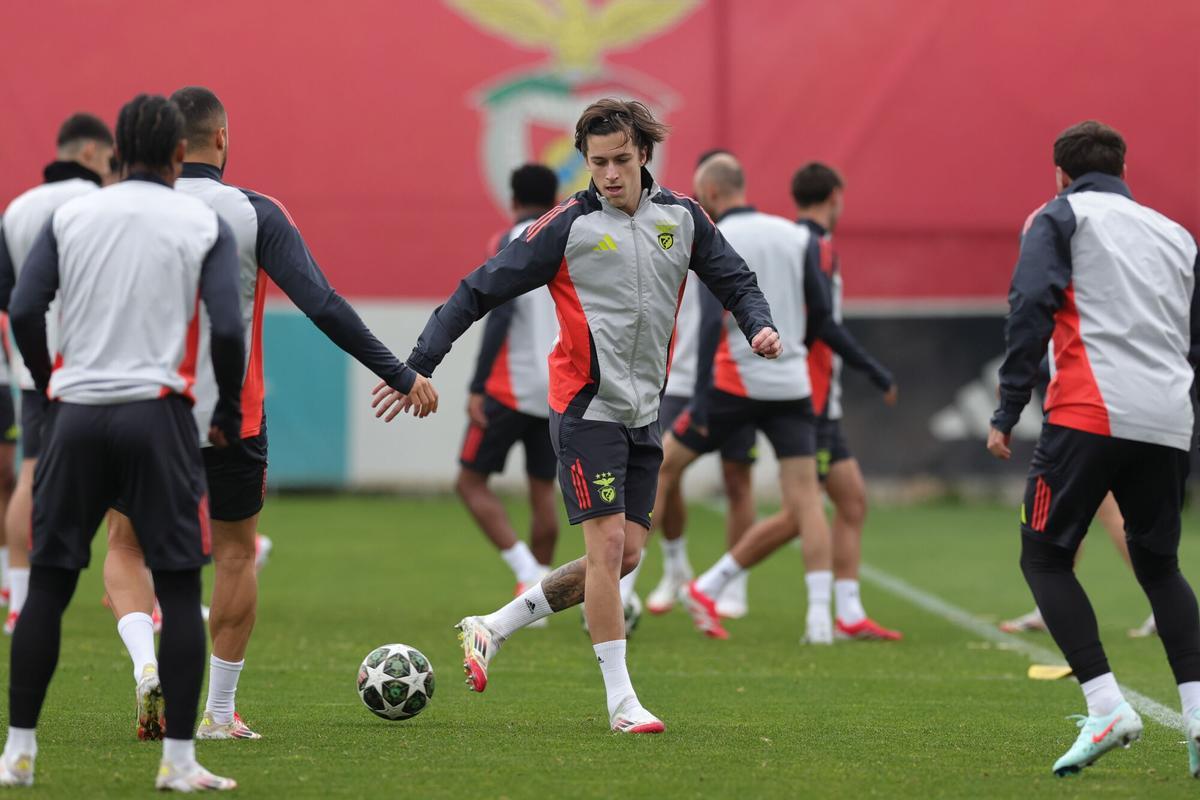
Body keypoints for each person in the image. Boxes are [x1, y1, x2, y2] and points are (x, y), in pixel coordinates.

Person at [374, 98, 778, 733]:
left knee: (623, 558)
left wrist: (758, 326)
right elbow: (477, 289)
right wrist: (419, 363)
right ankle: (622, 703)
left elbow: (736, 280)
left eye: (621, 159)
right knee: (608, 543)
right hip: (585, 407)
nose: (610, 173)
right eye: (598, 163)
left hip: (644, 412)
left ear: (645, 154)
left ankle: (494, 626)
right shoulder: (567, 226)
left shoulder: (685, 217)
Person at [100, 85, 430, 742]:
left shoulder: (121, 210)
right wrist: (400, 372)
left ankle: (146, 667)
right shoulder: (253, 212)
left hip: (139, 409)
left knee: (125, 546)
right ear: (220, 139)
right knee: (234, 555)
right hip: (233, 416)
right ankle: (220, 714)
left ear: (167, 143)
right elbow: (324, 305)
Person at [0, 93, 242, 791]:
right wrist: (223, 404)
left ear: (115, 156)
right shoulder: (200, 220)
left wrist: (50, 381)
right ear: (176, 156)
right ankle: (178, 762)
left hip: (75, 415)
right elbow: (225, 328)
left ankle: (19, 753)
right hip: (156, 415)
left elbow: (22, 307)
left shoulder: (71, 211)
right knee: (175, 581)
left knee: (47, 585)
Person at [987, 120, 1200, 777]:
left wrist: (1009, 408)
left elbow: (1031, 305)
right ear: (1123, 168)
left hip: (1090, 409)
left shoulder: (1058, 216)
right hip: (1169, 416)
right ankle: (1198, 716)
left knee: (1044, 556)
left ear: (1061, 173)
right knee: (1160, 567)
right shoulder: (1175, 233)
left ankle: (1107, 705)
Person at [699, 163, 901, 641]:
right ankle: (712, 584)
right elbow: (821, 325)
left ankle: (846, 611)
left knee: (849, 501)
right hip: (807, 396)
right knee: (804, 509)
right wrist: (873, 369)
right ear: (834, 196)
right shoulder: (813, 246)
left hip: (808, 392)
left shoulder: (792, 239)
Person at [0, 113, 114, 635]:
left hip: (34, 367)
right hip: (98, 363)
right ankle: (137, 598)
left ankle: (19, 600)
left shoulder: (18, 208)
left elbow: (10, 297)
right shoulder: (99, 207)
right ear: (91, 153)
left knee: (29, 477)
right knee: (127, 481)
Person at [646, 149, 758, 620]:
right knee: (665, 476)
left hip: (722, 379)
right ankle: (675, 568)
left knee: (734, 479)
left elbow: (724, 308)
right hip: (685, 377)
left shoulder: (739, 235)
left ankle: (731, 588)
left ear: (711, 191)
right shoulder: (679, 230)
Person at [457, 164, 560, 607]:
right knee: (542, 491)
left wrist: (477, 383)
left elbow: (496, 310)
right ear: (555, 199)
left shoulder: (510, 240)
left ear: (514, 200)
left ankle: (526, 571)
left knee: (470, 482)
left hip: (508, 387)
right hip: (556, 386)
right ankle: (539, 599)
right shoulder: (567, 239)